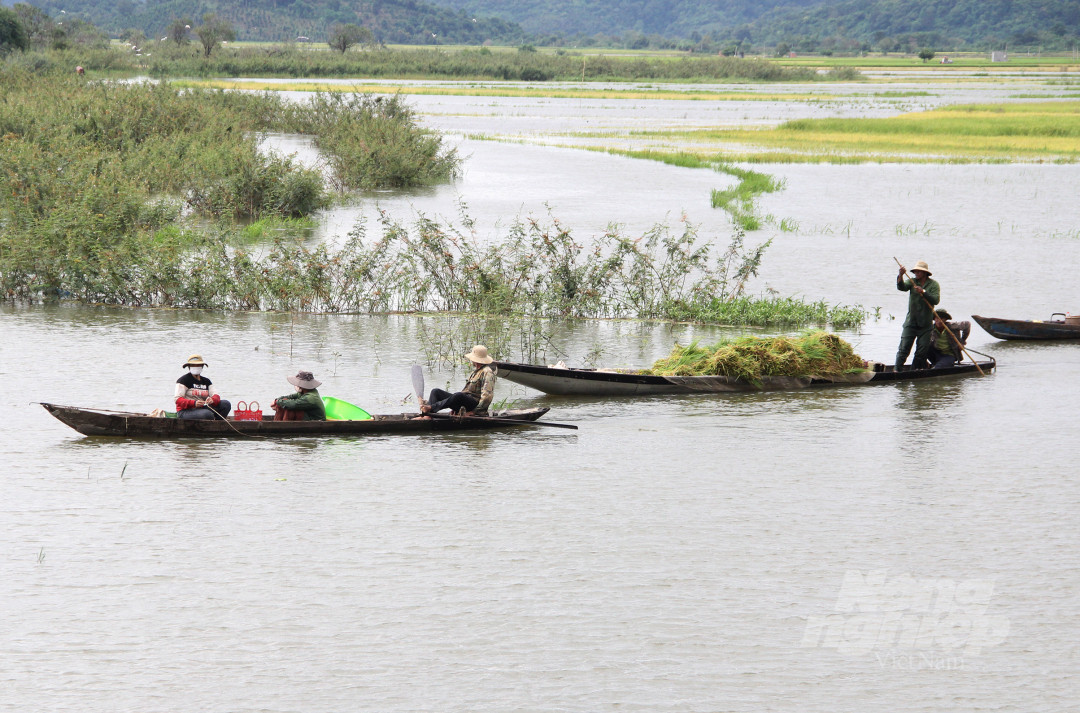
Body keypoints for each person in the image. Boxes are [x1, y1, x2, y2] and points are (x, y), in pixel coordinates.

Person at [420, 345, 497, 416]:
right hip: (465, 402)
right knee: (436, 392)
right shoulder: (476, 371)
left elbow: (487, 396)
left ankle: (430, 408)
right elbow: (465, 392)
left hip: (474, 405)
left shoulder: (487, 372)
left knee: (458, 395)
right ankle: (428, 415)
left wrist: (473, 412)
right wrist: (455, 408)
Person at [895, 260, 940, 371]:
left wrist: (924, 292)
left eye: (919, 272)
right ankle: (897, 370)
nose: (916, 273)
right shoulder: (912, 282)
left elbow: (936, 300)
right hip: (911, 322)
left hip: (925, 325)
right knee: (904, 349)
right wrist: (900, 275)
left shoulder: (933, 284)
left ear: (925, 273)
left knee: (921, 352)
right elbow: (901, 287)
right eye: (915, 271)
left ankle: (914, 371)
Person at [175, 354, 232, 420]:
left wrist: (212, 400)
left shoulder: (206, 381)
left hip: (202, 408)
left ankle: (217, 423)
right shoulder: (183, 380)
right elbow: (178, 400)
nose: (196, 367)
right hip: (186, 411)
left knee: (226, 404)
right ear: (189, 367)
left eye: (198, 365)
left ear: (202, 366)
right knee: (207, 414)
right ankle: (211, 422)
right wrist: (194, 403)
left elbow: (216, 395)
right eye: (193, 365)